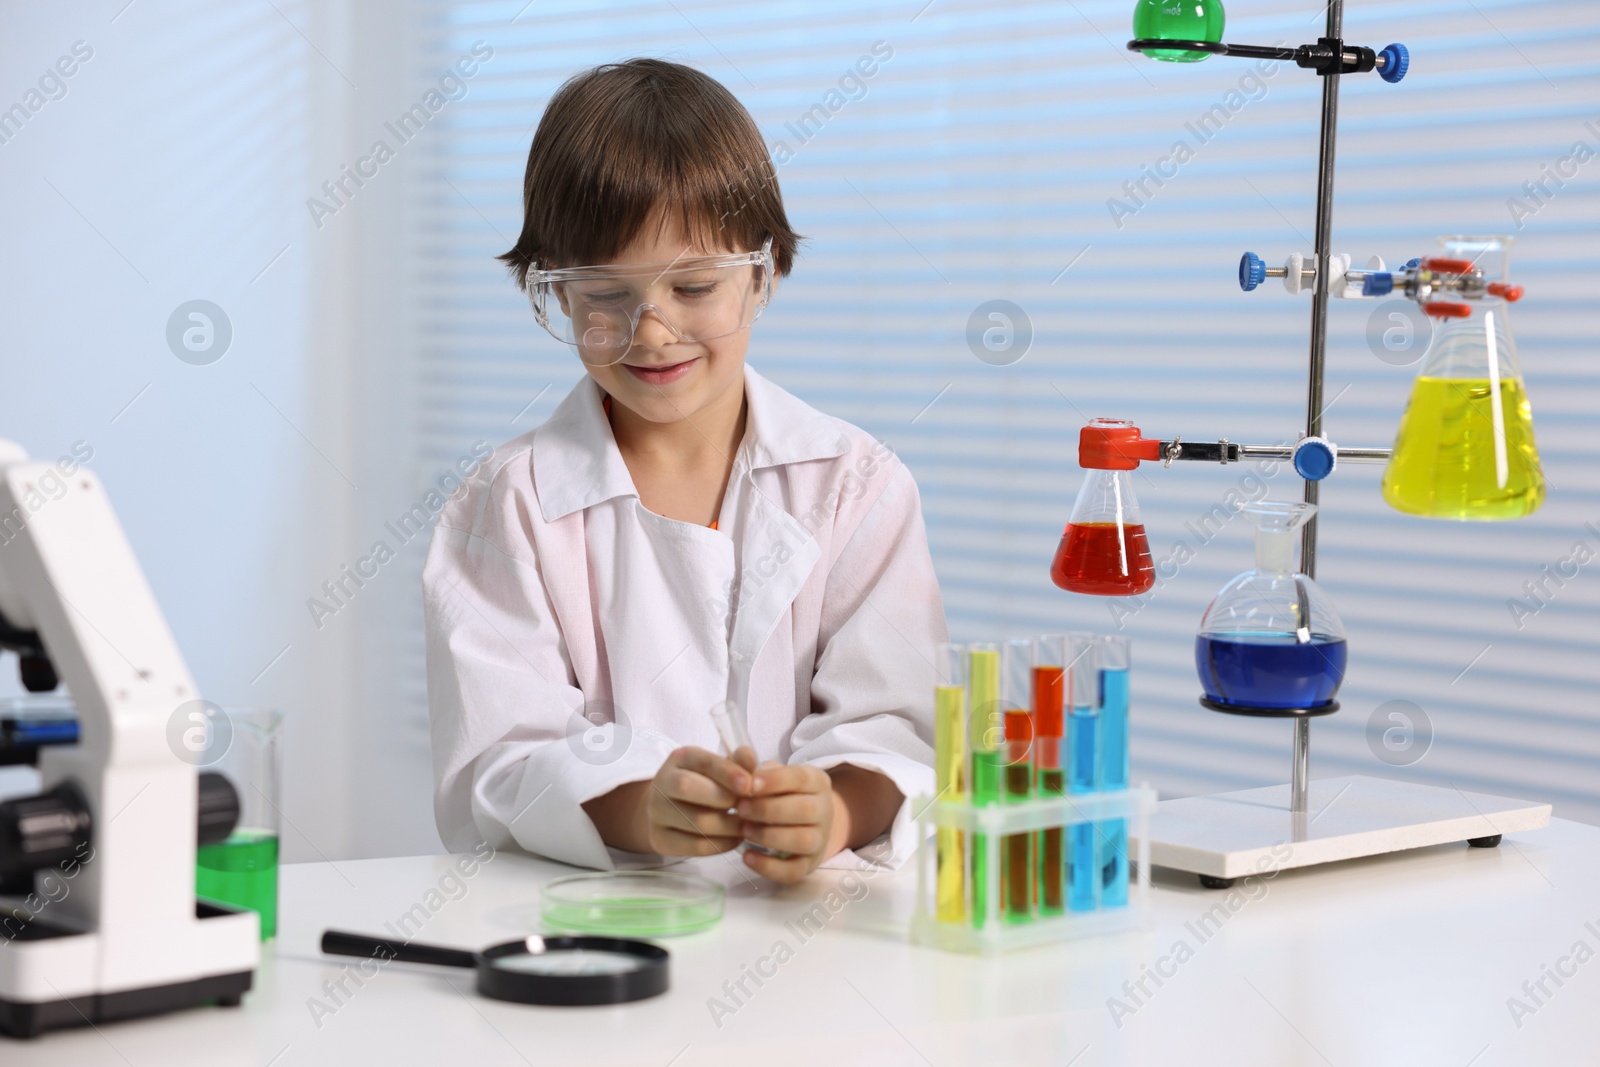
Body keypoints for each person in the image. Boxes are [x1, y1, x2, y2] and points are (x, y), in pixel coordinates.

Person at [424, 58, 946, 884]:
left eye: (695, 284)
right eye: (605, 293)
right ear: (556, 294)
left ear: (764, 272)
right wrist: (639, 806)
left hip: (813, 927)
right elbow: (498, 757)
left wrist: (834, 808)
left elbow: (899, 728)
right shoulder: (511, 502)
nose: (652, 330)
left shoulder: (854, 486)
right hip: (603, 929)